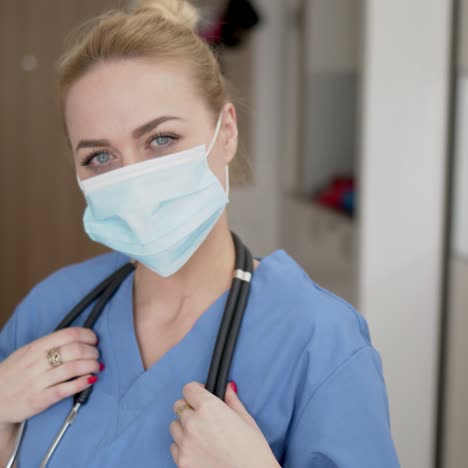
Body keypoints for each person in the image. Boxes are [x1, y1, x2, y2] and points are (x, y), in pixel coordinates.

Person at [0, 1, 400, 466]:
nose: (132, 177)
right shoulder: (53, 310)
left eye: (161, 139)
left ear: (225, 132)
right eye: (100, 157)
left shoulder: (318, 343)